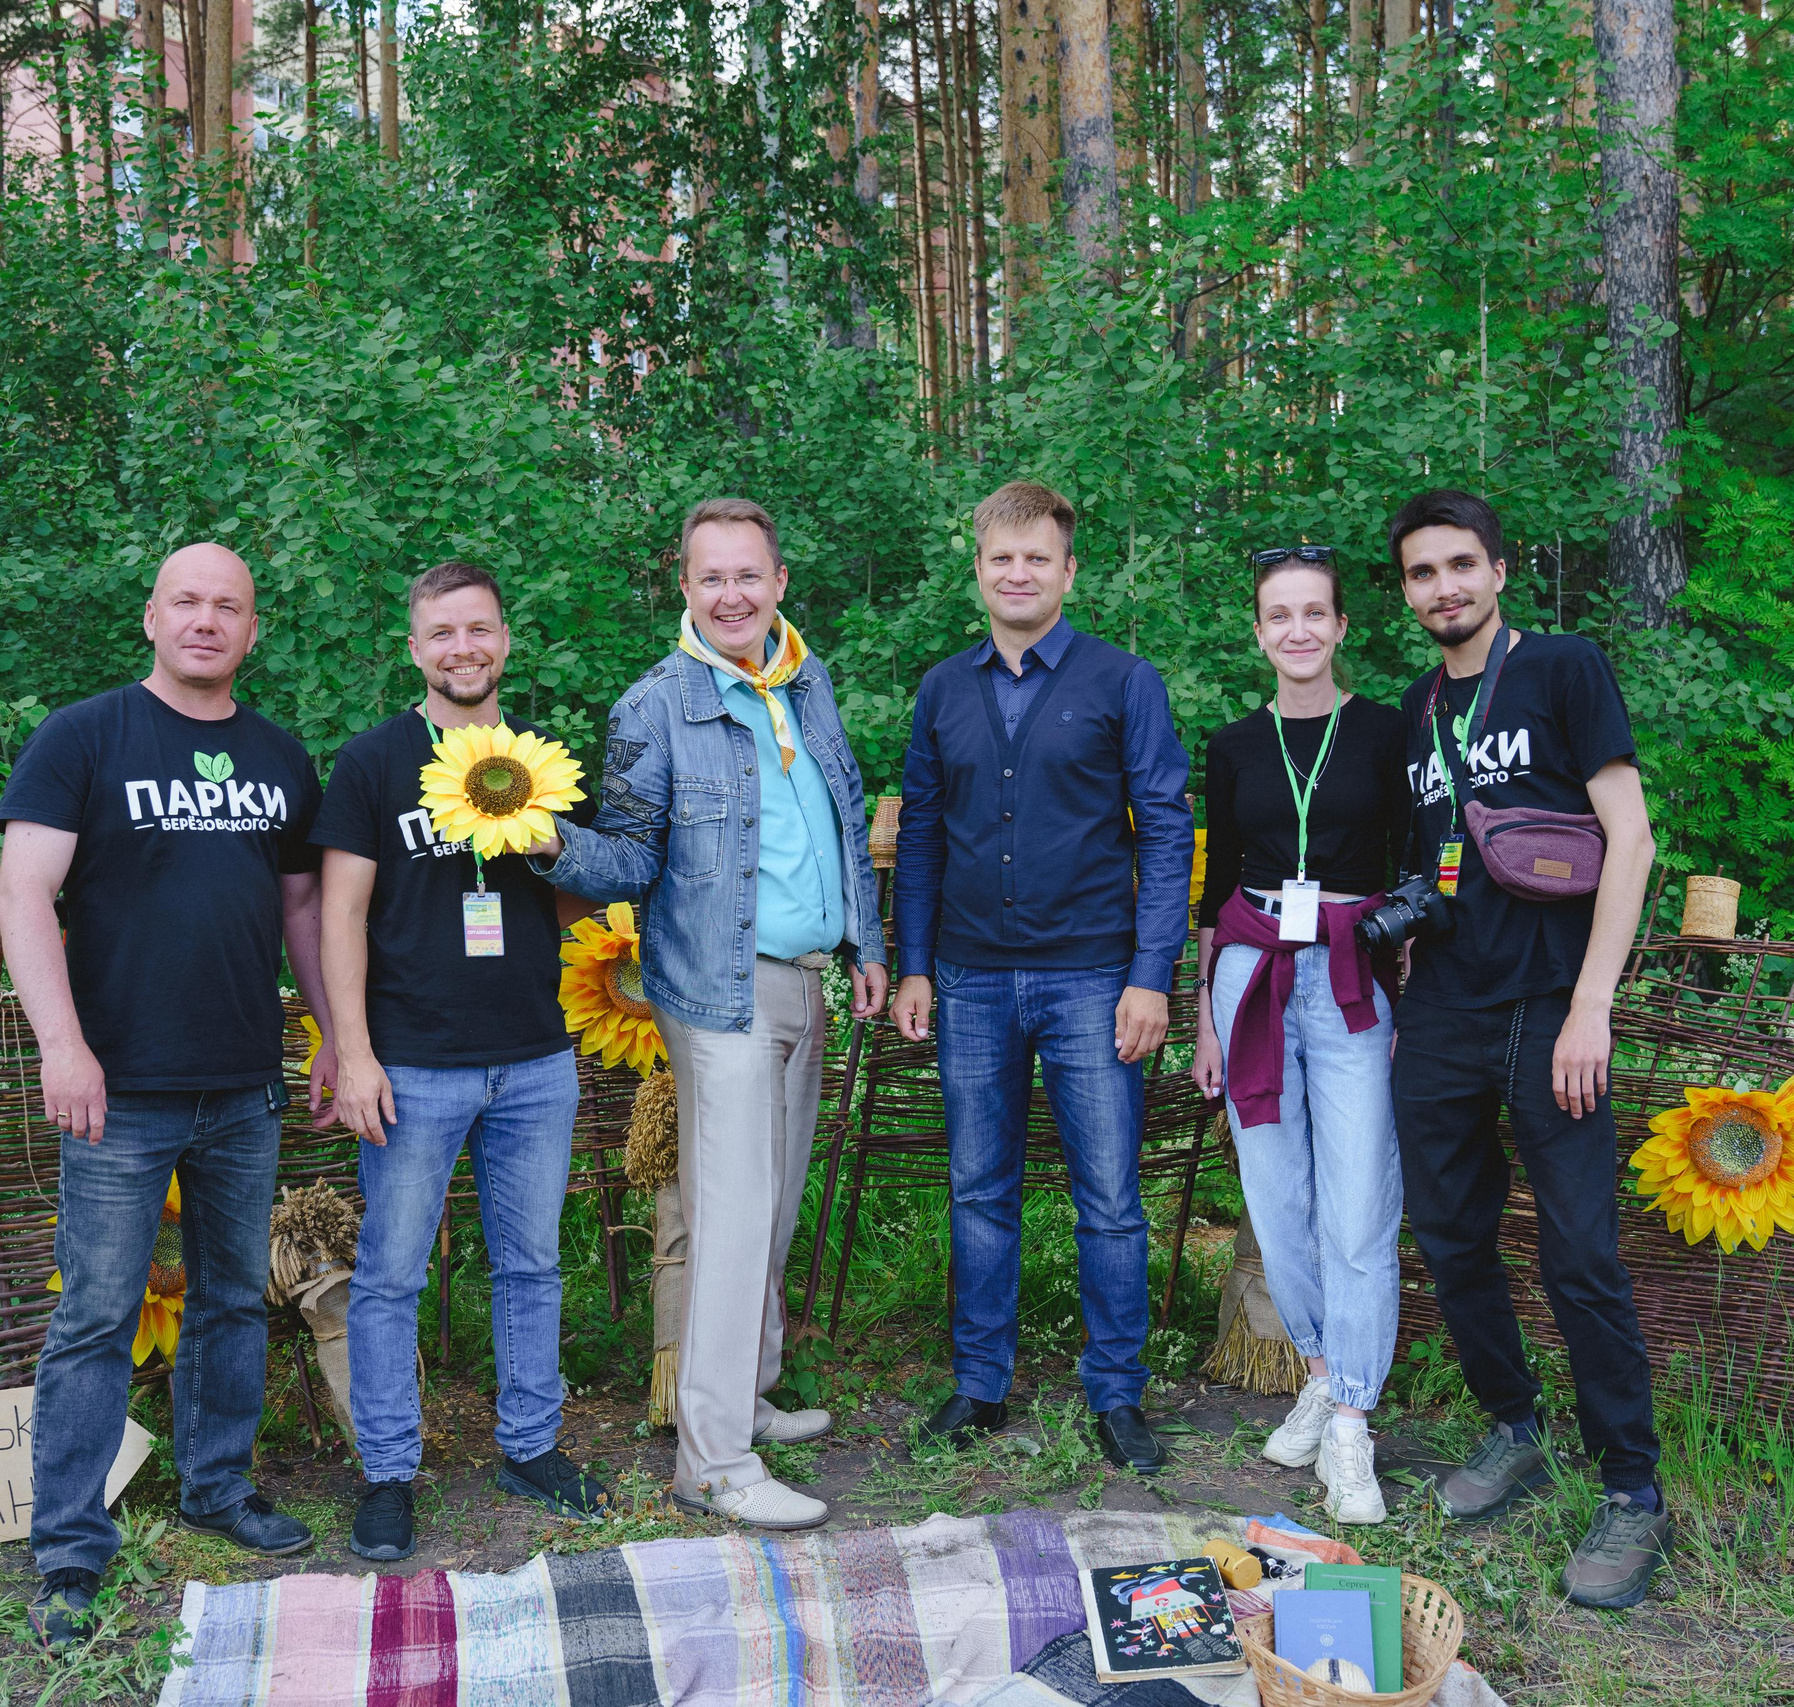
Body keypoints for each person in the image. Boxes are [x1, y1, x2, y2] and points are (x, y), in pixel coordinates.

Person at [0, 542, 336, 1653]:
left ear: (252, 629)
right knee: (95, 1315)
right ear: (150, 617)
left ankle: (218, 1491)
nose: (205, 620)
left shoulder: (281, 758)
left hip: (243, 1083)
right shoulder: (82, 738)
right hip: (118, 1091)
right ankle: (68, 1549)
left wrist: (334, 1032)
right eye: (185, 602)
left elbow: (300, 914)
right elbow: (24, 893)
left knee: (235, 1300)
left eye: (226, 606)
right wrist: (63, 1045)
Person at [531, 497, 888, 1532]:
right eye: (709, 578)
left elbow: (840, 813)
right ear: (683, 589)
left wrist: (864, 946)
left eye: (748, 575)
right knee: (728, 1221)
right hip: (718, 988)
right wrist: (550, 841)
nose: (731, 594)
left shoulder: (804, 679)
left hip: (800, 977)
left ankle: (747, 1398)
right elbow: (632, 858)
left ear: (778, 582)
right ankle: (712, 1463)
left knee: (769, 1210)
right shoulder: (656, 707)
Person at [1385, 489, 1668, 1608]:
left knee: (1580, 1259)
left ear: (1499, 571)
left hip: (1555, 1010)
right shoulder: (1414, 710)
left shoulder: (1562, 668)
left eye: (1461, 565)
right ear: (1404, 593)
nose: (1443, 587)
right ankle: (1513, 1427)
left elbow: (1629, 836)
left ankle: (1632, 1491)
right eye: (1421, 573)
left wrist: (1591, 1003)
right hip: (1445, 1015)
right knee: (1450, 1241)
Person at [890, 480, 1196, 1477]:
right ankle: (981, 1383)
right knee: (979, 1189)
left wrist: (1151, 976)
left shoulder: (1123, 683)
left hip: (1091, 980)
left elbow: (1164, 834)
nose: (1016, 574)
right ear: (976, 569)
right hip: (971, 980)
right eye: (999, 558)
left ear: (1067, 571)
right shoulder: (943, 689)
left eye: (1037, 559)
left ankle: (1116, 1393)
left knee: (1107, 1195)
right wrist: (913, 965)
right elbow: (923, 836)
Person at [312, 560, 611, 1563]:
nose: (462, 649)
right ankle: (387, 1471)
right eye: (442, 634)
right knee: (392, 1277)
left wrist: (546, 843)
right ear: (415, 649)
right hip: (415, 1063)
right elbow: (340, 915)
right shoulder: (370, 765)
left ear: (505, 640)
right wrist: (351, 1054)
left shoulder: (546, 762)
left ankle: (530, 1445)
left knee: (530, 1266)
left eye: (478, 629)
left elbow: (578, 895)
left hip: (534, 1058)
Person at [1188, 546, 1413, 1524]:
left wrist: (1410, 991)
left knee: (1358, 1201)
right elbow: (1214, 887)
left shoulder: (1385, 732)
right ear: (1257, 631)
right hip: (1250, 975)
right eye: (1278, 615)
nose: (1297, 630)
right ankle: (1317, 1374)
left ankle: (1354, 1420)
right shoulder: (1235, 745)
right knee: (1275, 1194)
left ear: (1341, 626)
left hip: (1351, 973)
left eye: (1313, 613)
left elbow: (1413, 870)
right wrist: (1203, 1008)